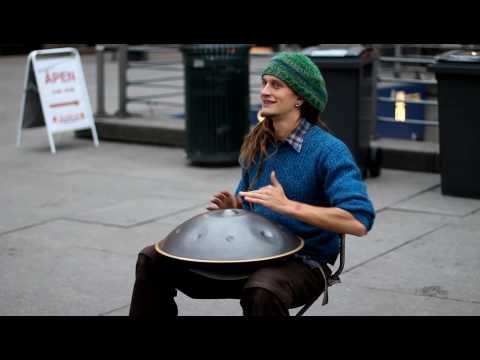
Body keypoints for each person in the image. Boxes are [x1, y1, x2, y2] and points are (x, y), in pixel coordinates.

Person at [129, 52, 375, 317]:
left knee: (263, 289)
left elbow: (358, 221)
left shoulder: (329, 151)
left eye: (276, 85)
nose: (265, 91)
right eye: (264, 83)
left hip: (304, 263)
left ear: (300, 98)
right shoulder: (258, 143)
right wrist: (235, 206)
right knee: (151, 259)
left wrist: (289, 207)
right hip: (250, 256)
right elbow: (250, 207)